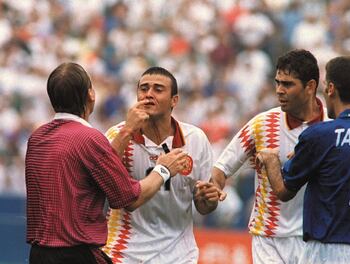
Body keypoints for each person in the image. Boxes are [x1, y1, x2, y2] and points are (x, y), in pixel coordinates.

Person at [25, 62, 187, 264]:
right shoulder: (89, 138)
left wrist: (127, 130)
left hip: (38, 254)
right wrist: (163, 169)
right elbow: (129, 197)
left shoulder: (37, 138)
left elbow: (94, 167)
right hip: (77, 255)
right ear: (91, 94)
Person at [211, 49, 329, 263]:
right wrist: (214, 188)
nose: (279, 91)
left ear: (310, 86)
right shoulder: (262, 124)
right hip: (268, 238)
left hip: (314, 238)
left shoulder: (331, 128)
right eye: (277, 83)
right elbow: (221, 168)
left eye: (288, 84)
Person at [102, 66, 221, 264]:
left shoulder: (196, 139)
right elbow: (106, 184)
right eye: (143, 89)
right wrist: (127, 131)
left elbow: (204, 206)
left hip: (180, 255)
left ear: (175, 100)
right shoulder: (118, 135)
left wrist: (208, 199)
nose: (148, 94)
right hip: (125, 253)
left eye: (158, 89)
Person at [258, 56, 350, 263]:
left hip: (327, 249)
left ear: (331, 89)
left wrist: (270, 160)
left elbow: (283, 191)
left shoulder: (321, 135)